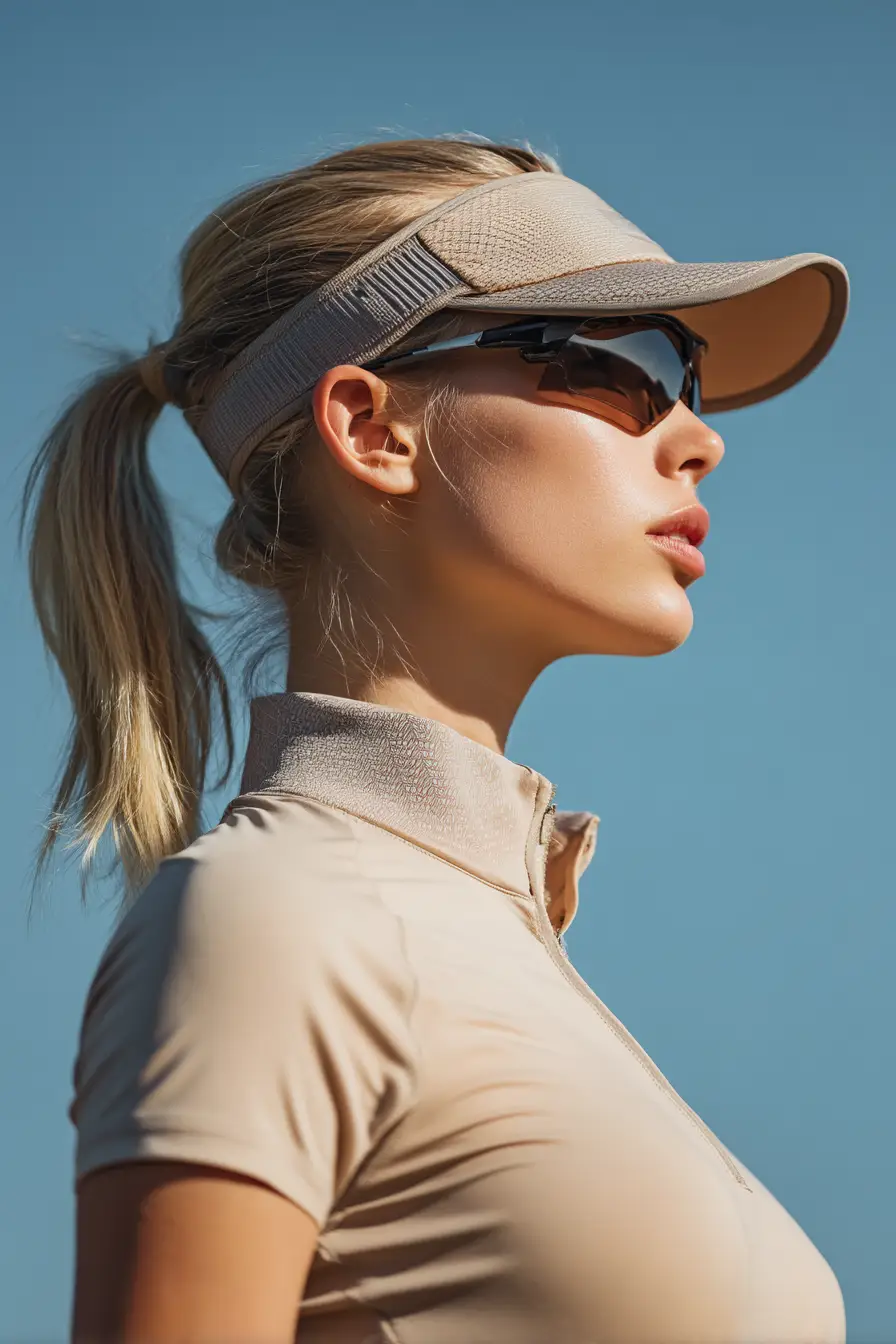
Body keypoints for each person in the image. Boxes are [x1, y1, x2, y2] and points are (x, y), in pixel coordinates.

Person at [22, 137, 850, 1343]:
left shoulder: (472, 938)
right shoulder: (274, 918)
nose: (693, 435)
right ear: (371, 429)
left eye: (691, 382)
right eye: (621, 367)